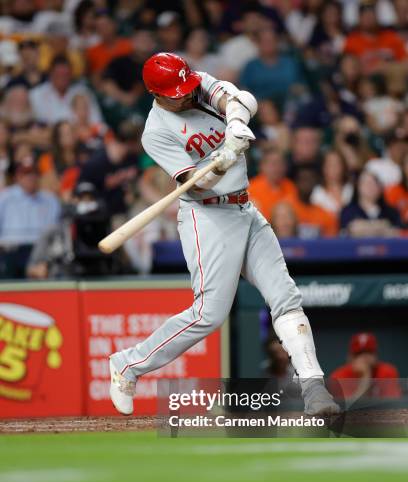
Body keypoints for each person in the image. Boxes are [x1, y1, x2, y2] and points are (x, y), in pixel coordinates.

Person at [108, 52, 340, 418]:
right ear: (158, 94)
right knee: (209, 315)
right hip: (208, 216)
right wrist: (224, 159)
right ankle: (128, 365)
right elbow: (195, 187)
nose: (187, 94)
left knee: (285, 296)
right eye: (177, 92)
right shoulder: (156, 132)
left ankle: (313, 385)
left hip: (245, 207)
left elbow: (242, 99)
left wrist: (233, 125)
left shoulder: (194, 84)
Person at [0, 156, 60, 278]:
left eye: (34, 174)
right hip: (10, 249)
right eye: (26, 174)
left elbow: (53, 231)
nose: (30, 178)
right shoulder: (5, 198)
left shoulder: (50, 200)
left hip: (39, 250)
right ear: (17, 176)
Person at [29, 55, 102, 125]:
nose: (62, 79)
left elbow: (96, 121)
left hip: (83, 136)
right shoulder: (36, 94)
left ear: (71, 74)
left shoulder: (83, 92)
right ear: (50, 74)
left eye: (65, 75)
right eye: (59, 75)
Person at [330, 332, 401, 400]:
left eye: (369, 352)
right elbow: (350, 408)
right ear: (350, 358)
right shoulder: (339, 376)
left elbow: (393, 405)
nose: (364, 357)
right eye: (359, 354)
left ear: (376, 355)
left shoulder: (387, 372)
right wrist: (365, 377)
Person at [340, 170, 402, 236]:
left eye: (374, 183)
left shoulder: (391, 211)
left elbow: (397, 231)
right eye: (366, 183)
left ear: (380, 188)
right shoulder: (348, 211)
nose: (370, 187)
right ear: (358, 187)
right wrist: (383, 225)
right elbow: (350, 230)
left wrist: (362, 226)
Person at [310, 149, 353, 213]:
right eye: (330, 164)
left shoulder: (351, 189)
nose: (334, 168)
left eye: (337, 164)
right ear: (323, 168)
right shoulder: (317, 194)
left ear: (343, 167)